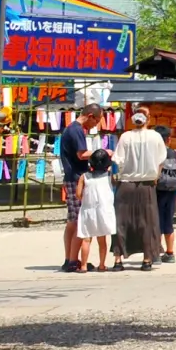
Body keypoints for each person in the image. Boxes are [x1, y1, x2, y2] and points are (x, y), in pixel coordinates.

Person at [112, 107, 166, 270]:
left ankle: (118, 260)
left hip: (126, 184)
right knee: (147, 222)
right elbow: (161, 160)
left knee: (121, 221)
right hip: (147, 184)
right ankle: (147, 259)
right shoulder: (155, 136)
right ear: (147, 119)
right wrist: (156, 177)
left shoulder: (125, 137)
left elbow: (117, 160)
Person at [57, 104, 100, 273]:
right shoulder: (76, 130)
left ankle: (69, 258)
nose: (96, 125)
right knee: (79, 220)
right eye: (96, 120)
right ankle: (74, 261)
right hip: (76, 179)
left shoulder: (73, 129)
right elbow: (81, 154)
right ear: (90, 115)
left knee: (72, 220)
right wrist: (102, 152)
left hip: (71, 177)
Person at [75, 148, 117, 272]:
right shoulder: (109, 177)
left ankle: (83, 266)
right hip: (103, 211)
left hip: (88, 210)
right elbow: (114, 185)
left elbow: (78, 194)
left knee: (86, 239)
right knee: (102, 239)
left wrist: (85, 199)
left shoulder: (84, 177)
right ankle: (102, 265)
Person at [155, 124, 176, 264]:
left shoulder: (154, 154)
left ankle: (155, 253)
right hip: (171, 191)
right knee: (168, 221)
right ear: (168, 139)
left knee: (155, 221)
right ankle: (170, 253)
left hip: (156, 191)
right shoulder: (175, 153)